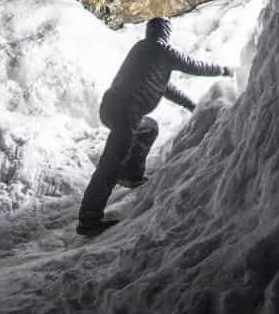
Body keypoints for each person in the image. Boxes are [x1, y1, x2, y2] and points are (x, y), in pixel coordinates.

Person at [76, 17, 231, 236]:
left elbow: (163, 86)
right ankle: (89, 219)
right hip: (125, 111)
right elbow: (195, 66)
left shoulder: (143, 51)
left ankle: (131, 175)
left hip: (112, 108)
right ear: (165, 33)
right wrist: (224, 70)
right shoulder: (163, 50)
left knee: (149, 128)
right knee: (110, 164)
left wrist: (191, 105)